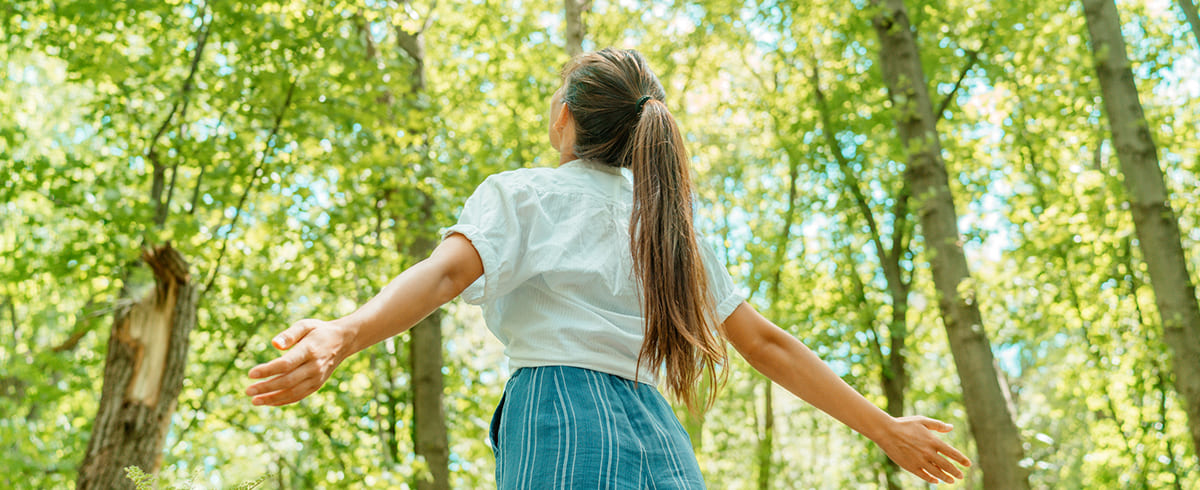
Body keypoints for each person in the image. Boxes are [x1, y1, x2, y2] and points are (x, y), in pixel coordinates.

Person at [245, 48, 971, 488]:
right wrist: (881, 428)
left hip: (558, 415)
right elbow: (766, 343)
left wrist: (343, 332)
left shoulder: (526, 192)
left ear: (566, 114)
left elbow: (442, 276)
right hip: (660, 434)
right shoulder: (668, 226)